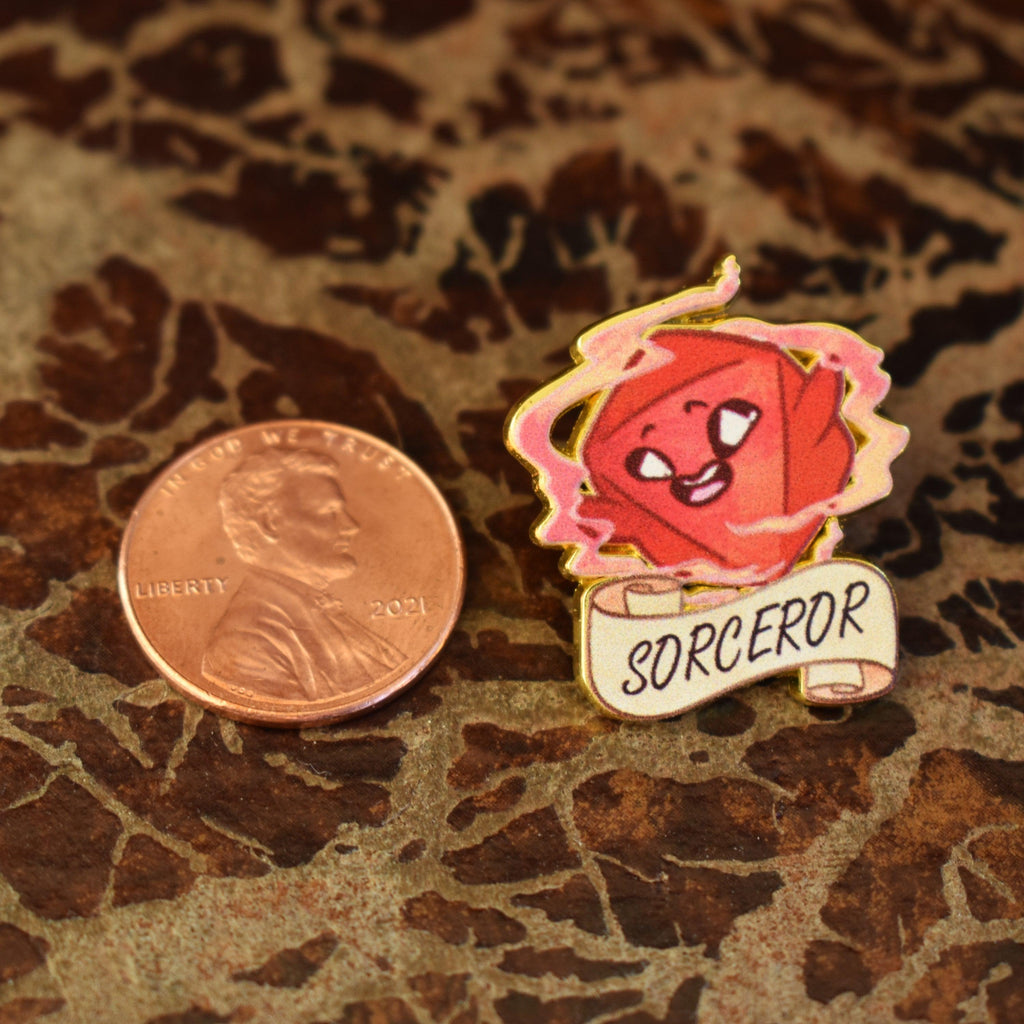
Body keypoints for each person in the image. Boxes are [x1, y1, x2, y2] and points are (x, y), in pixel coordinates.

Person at [202, 447, 405, 701]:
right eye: (328, 512)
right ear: (270, 522)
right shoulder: (245, 641)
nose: (351, 526)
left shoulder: (315, 609)